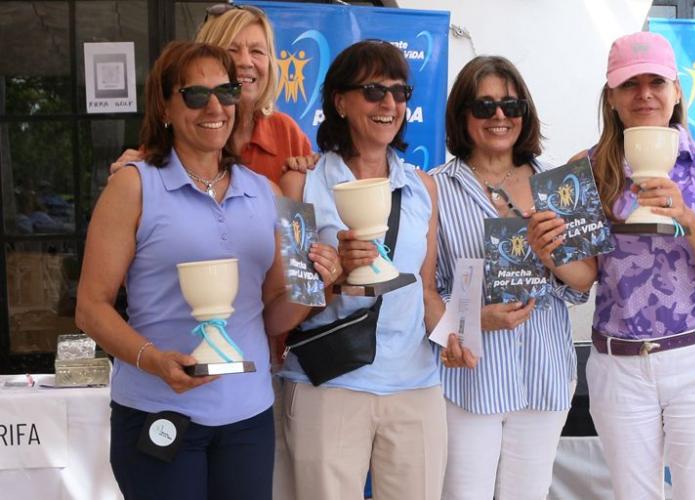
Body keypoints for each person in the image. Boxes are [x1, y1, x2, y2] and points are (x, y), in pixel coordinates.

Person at [75, 41, 339, 500]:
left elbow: (274, 317)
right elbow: (90, 308)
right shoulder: (133, 186)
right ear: (165, 107)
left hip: (248, 416)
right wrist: (154, 360)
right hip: (158, 410)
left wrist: (319, 283)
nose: (215, 107)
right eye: (196, 95)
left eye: (226, 92)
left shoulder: (268, 192)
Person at [535, 32, 695, 500]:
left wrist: (685, 215)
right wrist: (551, 253)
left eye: (656, 82)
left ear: (677, 91)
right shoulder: (584, 167)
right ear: (611, 96)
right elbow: (585, 277)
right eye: (629, 84)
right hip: (618, 364)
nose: (644, 94)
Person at [277, 40, 445, 500]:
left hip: (416, 386)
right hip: (328, 383)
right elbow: (285, 308)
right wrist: (334, 278)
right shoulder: (301, 182)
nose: (389, 103)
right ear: (340, 101)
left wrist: (458, 337)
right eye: (373, 91)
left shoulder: (422, 187)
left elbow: (426, 291)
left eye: (400, 92)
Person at [427, 55, 595, 500]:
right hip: (470, 379)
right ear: (462, 115)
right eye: (484, 106)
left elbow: (584, 281)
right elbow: (427, 288)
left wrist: (548, 253)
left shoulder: (560, 183)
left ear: (526, 112)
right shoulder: (435, 187)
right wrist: (474, 319)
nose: (499, 116)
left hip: (544, 373)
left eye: (511, 105)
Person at [111, 4, 317, 183]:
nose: (246, 62)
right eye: (232, 50)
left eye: (257, 51)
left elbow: (305, 212)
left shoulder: (286, 132)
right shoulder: (180, 132)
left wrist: (311, 174)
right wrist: (128, 178)